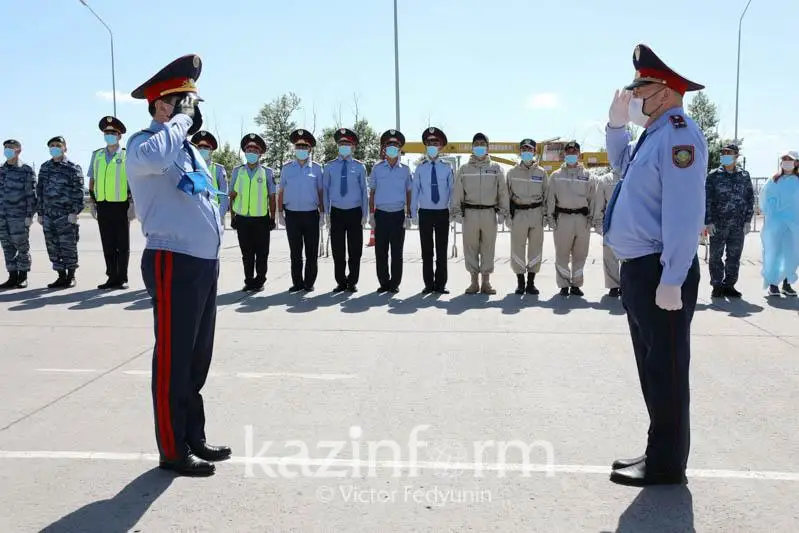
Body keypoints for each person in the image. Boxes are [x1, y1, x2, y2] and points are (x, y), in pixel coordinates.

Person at [603, 44, 708, 486]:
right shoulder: (655, 134)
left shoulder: (679, 134)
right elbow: (620, 166)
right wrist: (614, 126)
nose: (635, 97)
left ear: (665, 92)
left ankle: (666, 465)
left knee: (665, 369)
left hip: (660, 270)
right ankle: (657, 452)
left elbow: (684, 213)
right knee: (652, 367)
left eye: (641, 89)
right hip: (640, 269)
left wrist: (673, 277)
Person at [126, 54, 229, 477]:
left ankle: (192, 434)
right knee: (173, 357)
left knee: (196, 357)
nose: (195, 109)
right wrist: (180, 122)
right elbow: (153, 157)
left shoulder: (187, 152)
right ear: (162, 104)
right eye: (186, 101)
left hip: (203, 264)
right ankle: (172, 448)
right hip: (173, 261)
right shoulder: (143, 145)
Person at [450, 133, 509, 294]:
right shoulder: (464, 169)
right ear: (472, 147)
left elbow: (502, 192)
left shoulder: (496, 168)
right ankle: (473, 282)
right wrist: (455, 212)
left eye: (483, 143)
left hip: (490, 213)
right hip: (470, 213)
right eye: (476, 144)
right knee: (470, 248)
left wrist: (503, 212)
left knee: (488, 247)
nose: (480, 146)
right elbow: (457, 192)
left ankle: (486, 282)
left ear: (487, 147)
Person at [88, 116, 134, 290]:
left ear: (119, 136)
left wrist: (133, 204)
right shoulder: (97, 155)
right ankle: (111, 277)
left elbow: (132, 181)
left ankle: (122, 277)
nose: (109, 136)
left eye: (113, 133)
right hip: (103, 205)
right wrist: (92, 202)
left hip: (121, 205)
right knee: (108, 243)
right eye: (106, 133)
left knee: (122, 244)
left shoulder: (126, 155)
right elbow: (92, 180)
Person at [545, 141, 595, 297]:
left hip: (582, 219)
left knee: (580, 255)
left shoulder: (588, 176)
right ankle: (563, 285)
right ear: (564, 155)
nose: (572, 154)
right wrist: (551, 218)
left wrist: (591, 219)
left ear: (579, 154)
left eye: (575, 151)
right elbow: (550, 199)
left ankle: (576, 285)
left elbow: (592, 199)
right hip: (563, 219)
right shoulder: (556, 176)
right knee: (562, 254)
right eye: (569, 152)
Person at [704, 143, 755, 298]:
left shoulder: (744, 176)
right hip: (718, 224)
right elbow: (707, 199)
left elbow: (750, 198)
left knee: (734, 256)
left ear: (736, 156)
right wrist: (708, 221)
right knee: (715, 256)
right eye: (723, 152)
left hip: (738, 225)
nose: (725, 155)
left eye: (729, 152)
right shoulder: (713, 175)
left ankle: (729, 285)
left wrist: (748, 221)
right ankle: (717, 285)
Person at [278, 128, 324, 292]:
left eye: (304, 146)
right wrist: (279, 213)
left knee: (311, 252)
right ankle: (297, 282)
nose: (301, 149)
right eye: (298, 146)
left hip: (311, 215)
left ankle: (309, 283)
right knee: (295, 252)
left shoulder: (317, 169)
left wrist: (323, 213)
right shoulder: (287, 168)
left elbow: (320, 192)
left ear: (310, 149)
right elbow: (281, 191)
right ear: (294, 148)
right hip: (292, 216)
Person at [323, 128, 368, 293]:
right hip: (337, 212)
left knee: (355, 250)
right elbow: (326, 191)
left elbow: (364, 191)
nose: (344, 146)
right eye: (341, 143)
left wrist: (365, 214)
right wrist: (326, 214)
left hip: (355, 212)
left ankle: (352, 281)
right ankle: (340, 281)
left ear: (353, 146)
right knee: (338, 250)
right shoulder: (329, 167)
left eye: (347, 143)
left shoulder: (359, 167)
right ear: (337, 146)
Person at [229, 133, 276, 292]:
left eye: (255, 149)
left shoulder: (267, 172)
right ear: (244, 151)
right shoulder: (237, 171)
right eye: (249, 148)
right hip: (242, 219)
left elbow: (271, 196)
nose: (251, 151)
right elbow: (232, 195)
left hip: (261, 219)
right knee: (246, 253)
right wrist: (233, 216)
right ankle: (249, 281)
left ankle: (260, 281)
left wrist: (272, 217)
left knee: (262, 253)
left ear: (260, 153)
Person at [37, 136, 85, 289]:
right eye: (52, 146)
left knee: (68, 246)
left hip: (66, 215)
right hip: (49, 214)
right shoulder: (45, 167)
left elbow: (79, 192)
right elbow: (40, 190)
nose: (54, 148)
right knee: (52, 246)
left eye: (58, 145)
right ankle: (60, 276)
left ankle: (71, 276)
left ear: (65, 148)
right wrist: (40, 212)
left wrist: (75, 212)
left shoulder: (72, 167)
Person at [369, 129, 412, 293]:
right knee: (380, 251)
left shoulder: (405, 169)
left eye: (395, 145)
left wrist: (408, 215)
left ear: (400, 148)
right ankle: (383, 282)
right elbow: (372, 192)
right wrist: (371, 215)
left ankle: (395, 284)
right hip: (381, 214)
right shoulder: (377, 168)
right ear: (384, 148)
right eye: (389, 144)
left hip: (397, 215)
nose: (392, 147)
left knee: (397, 252)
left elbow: (409, 192)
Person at [411, 127, 453, 295]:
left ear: (441, 146)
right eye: (429, 143)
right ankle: (428, 284)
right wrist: (413, 213)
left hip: (442, 212)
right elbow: (415, 191)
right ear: (425, 146)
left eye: (435, 143)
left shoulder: (447, 167)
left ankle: (441, 284)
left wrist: (453, 210)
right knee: (427, 251)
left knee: (442, 251)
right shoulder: (420, 168)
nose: (432, 146)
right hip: (425, 213)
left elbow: (452, 191)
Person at [506, 138, 548, 295]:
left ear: (534, 152)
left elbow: (547, 195)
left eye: (529, 150)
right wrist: (507, 215)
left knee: (535, 248)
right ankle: (520, 282)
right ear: (520, 152)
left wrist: (546, 215)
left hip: (536, 213)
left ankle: (531, 282)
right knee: (517, 248)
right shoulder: (511, 172)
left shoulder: (541, 173)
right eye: (524, 149)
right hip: (519, 213)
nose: (526, 152)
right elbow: (506, 196)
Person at [759, 151, 799, 297]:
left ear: (796, 163)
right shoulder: (774, 180)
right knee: (774, 253)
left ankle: (787, 284)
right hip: (775, 225)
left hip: (795, 225)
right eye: (785, 159)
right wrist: (773, 212)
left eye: (790, 159)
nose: (787, 162)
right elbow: (764, 198)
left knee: (792, 254)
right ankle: (773, 284)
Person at [0, 139, 36, 289]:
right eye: (5, 148)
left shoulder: (26, 170)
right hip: (2, 216)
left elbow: (31, 194)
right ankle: (12, 276)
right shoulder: (1, 170)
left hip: (19, 216)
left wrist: (29, 215)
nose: (7, 150)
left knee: (21, 247)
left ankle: (23, 276)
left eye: (10, 148)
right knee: (7, 247)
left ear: (18, 150)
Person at [592, 167, 623, 297]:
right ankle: (613, 286)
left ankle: (627, 285)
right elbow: (599, 203)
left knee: (630, 257)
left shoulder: (634, 176)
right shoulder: (605, 180)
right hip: (610, 222)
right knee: (610, 257)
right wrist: (598, 223)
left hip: (630, 222)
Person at [191, 131, 229, 227]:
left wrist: (219, 217)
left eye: (206, 147)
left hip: (213, 216)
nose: (202, 149)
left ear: (211, 150)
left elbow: (224, 197)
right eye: (199, 147)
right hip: (192, 216)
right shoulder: (188, 167)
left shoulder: (219, 169)